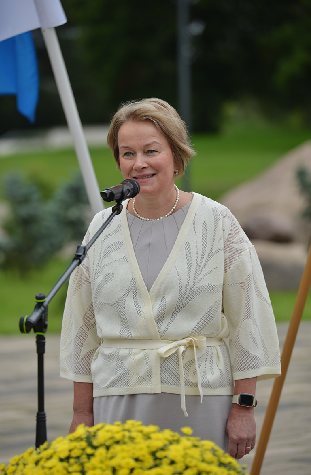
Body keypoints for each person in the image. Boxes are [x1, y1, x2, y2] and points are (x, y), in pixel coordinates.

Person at [59, 98, 281, 459]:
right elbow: (80, 328)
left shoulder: (216, 221)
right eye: (127, 153)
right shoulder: (102, 226)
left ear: (176, 158)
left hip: (201, 400)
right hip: (117, 401)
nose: (139, 163)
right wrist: (82, 413)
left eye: (151, 151)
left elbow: (249, 319)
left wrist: (244, 407)